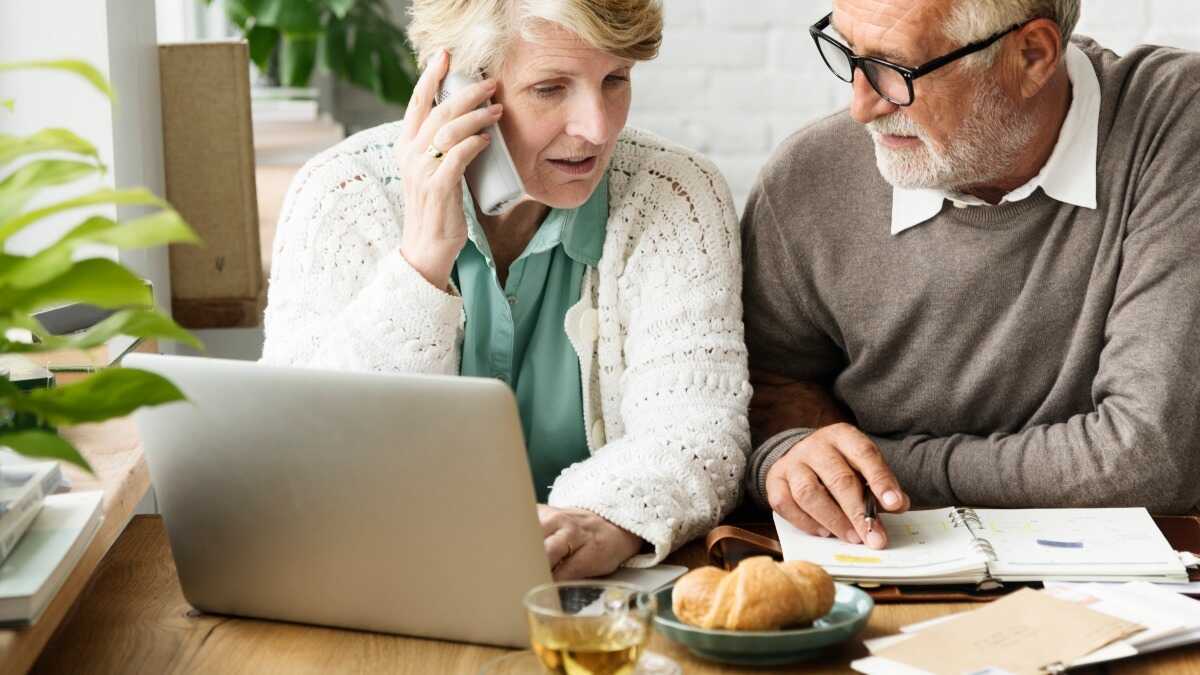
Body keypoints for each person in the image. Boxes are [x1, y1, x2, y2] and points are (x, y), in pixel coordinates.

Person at [261, 0, 751, 580]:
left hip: (588, 594)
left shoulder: (677, 194)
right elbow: (305, 458)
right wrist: (420, 263)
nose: (597, 128)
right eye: (550, 88)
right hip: (393, 582)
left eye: (614, 80)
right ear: (457, 89)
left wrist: (596, 520)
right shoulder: (340, 195)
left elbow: (699, 431)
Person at [742, 0, 1200, 550]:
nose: (861, 106)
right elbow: (758, 407)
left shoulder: (1173, 121)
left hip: (1143, 583)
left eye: (898, 69)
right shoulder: (806, 181)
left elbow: (1147, 458)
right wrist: (791, 456)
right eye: (848, 52)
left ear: (1031, 55)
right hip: (887, 563)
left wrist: (876, 462)